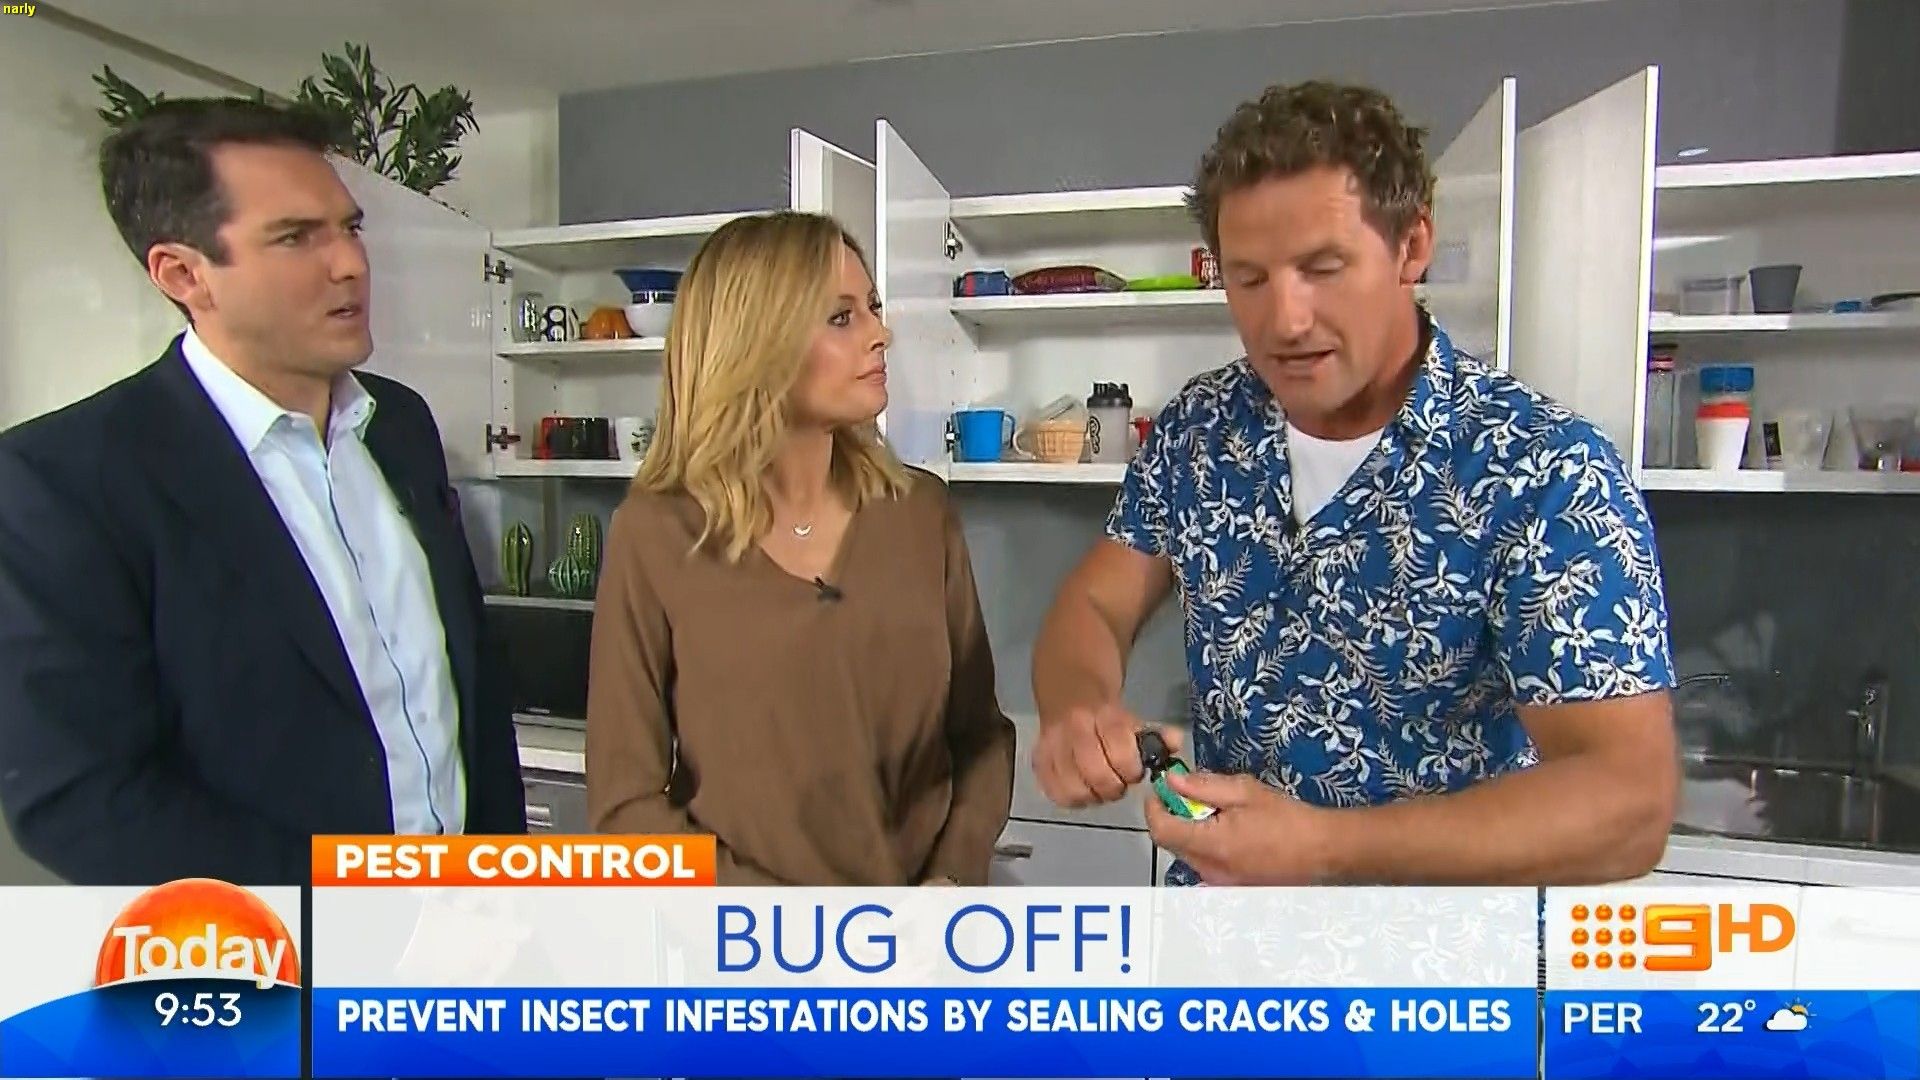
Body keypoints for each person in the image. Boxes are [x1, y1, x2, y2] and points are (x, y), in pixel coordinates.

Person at [1031, 80, 1679, 886]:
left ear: (1412, 246)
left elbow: (1628, 802)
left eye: (1323, 268)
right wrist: (1078, 707)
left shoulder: (1545, 468)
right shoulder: (1201, 426)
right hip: (1215, 944)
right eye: (1250, 278)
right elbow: (1094, 605)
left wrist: (1326, 846)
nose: (1285, 320)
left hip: (1427, 959)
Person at [0, 99, 526, 886]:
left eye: (349, 228)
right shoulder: (66, 481)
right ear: (183, 273)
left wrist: (504, 889)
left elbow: (466, 691)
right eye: (295, 237)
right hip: (274, 949)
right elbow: (80, 797)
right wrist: (356, 915)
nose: (350, 264)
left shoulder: (401, 428)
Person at [586, 211, 1014, 886]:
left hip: (920, 941)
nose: (881, 333)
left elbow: (982, 739)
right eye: (842, 318)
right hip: (744, 943)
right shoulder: (656, 535)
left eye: (872, 307)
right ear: (755, 345)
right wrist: (790, 927)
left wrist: (949, 883)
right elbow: (625, 809)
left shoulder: (920, 514)